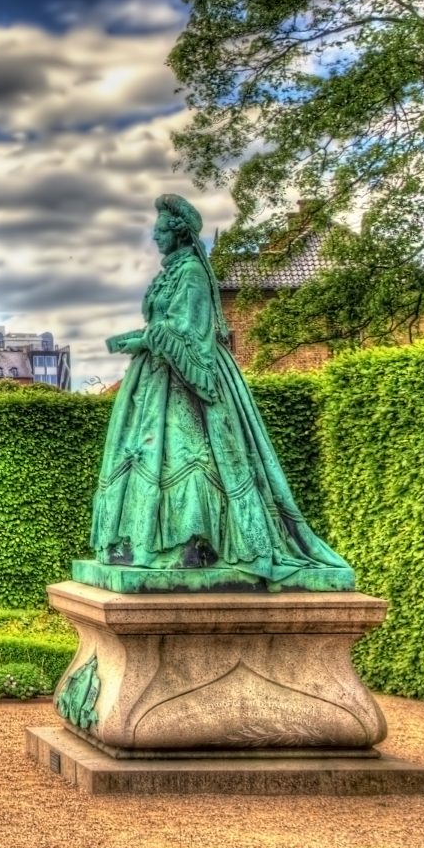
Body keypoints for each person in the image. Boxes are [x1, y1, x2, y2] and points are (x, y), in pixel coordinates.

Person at [88, 194, 353, 589]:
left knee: (192, 454)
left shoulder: (192, 271)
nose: (154, 237)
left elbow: (189, 333)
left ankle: (196, 544)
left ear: (177, 234)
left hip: (190, 381)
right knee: (147, 453)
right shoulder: (171, 272)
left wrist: (142, 339)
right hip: (156, 380)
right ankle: (147, 543)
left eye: (160, 231)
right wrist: (139, 339)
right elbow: (163, 324)